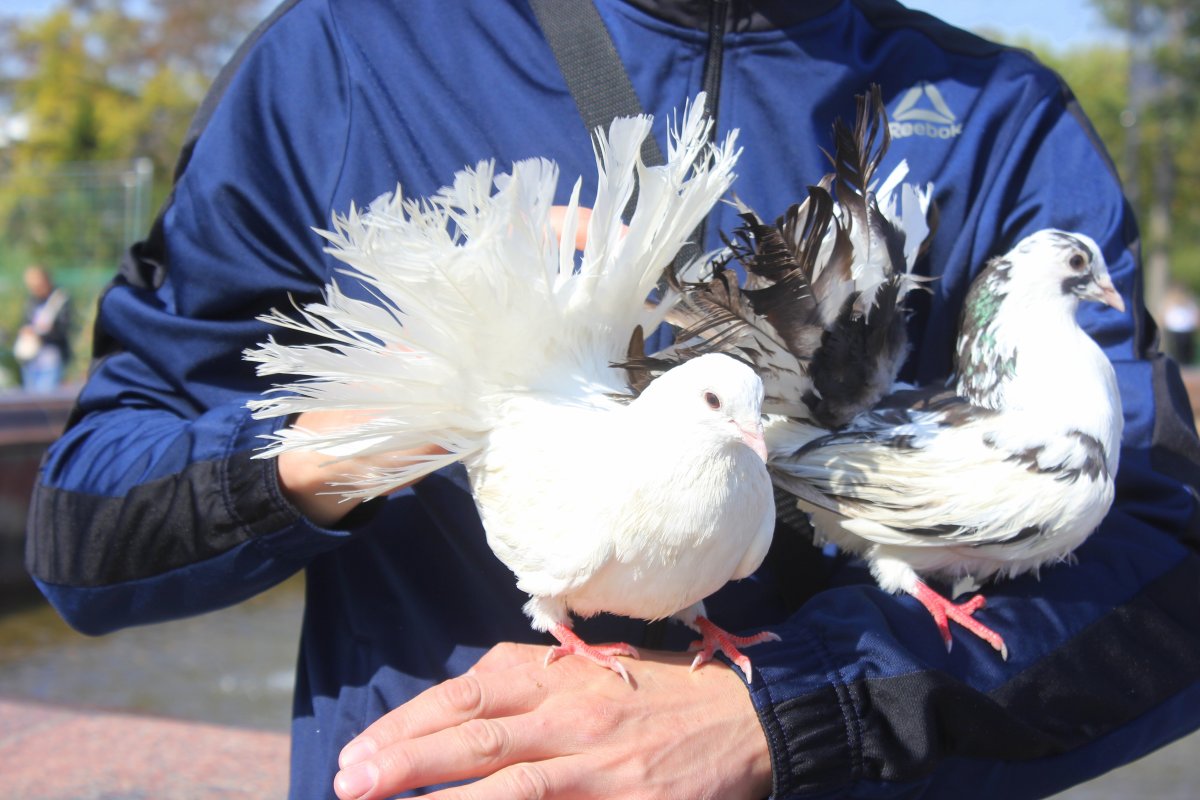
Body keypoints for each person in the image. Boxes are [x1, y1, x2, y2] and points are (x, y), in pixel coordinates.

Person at [24, 1, 1200, 798]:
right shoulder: (345, 55)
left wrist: (782, 713)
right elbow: (84, 531)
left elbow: (1168, 555)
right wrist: (380, 413)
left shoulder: (996, 115)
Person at [14, 264, 73, 392]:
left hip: (51, 360)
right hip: (31, 359)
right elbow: (25, 322)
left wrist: (42, 334)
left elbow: (63, 329)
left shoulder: (59, 300)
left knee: (46, 399)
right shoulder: (31, 301)